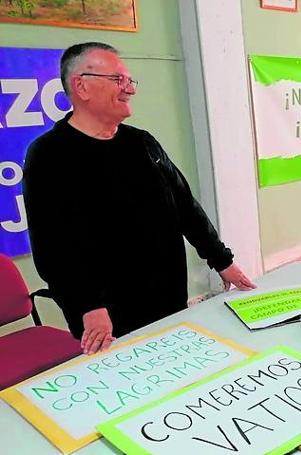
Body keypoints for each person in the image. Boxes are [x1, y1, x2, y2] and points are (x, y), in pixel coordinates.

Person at [23, 42, 256, 355]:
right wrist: (87, 306)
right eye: (118, 80)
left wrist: (222, 260)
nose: (129, 89)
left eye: (129, 81)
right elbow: (52, 246)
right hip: (104, 314)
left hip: (167, 296)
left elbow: (185, 207)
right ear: (82, 85)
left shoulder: (142, 143)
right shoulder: (49, 156)